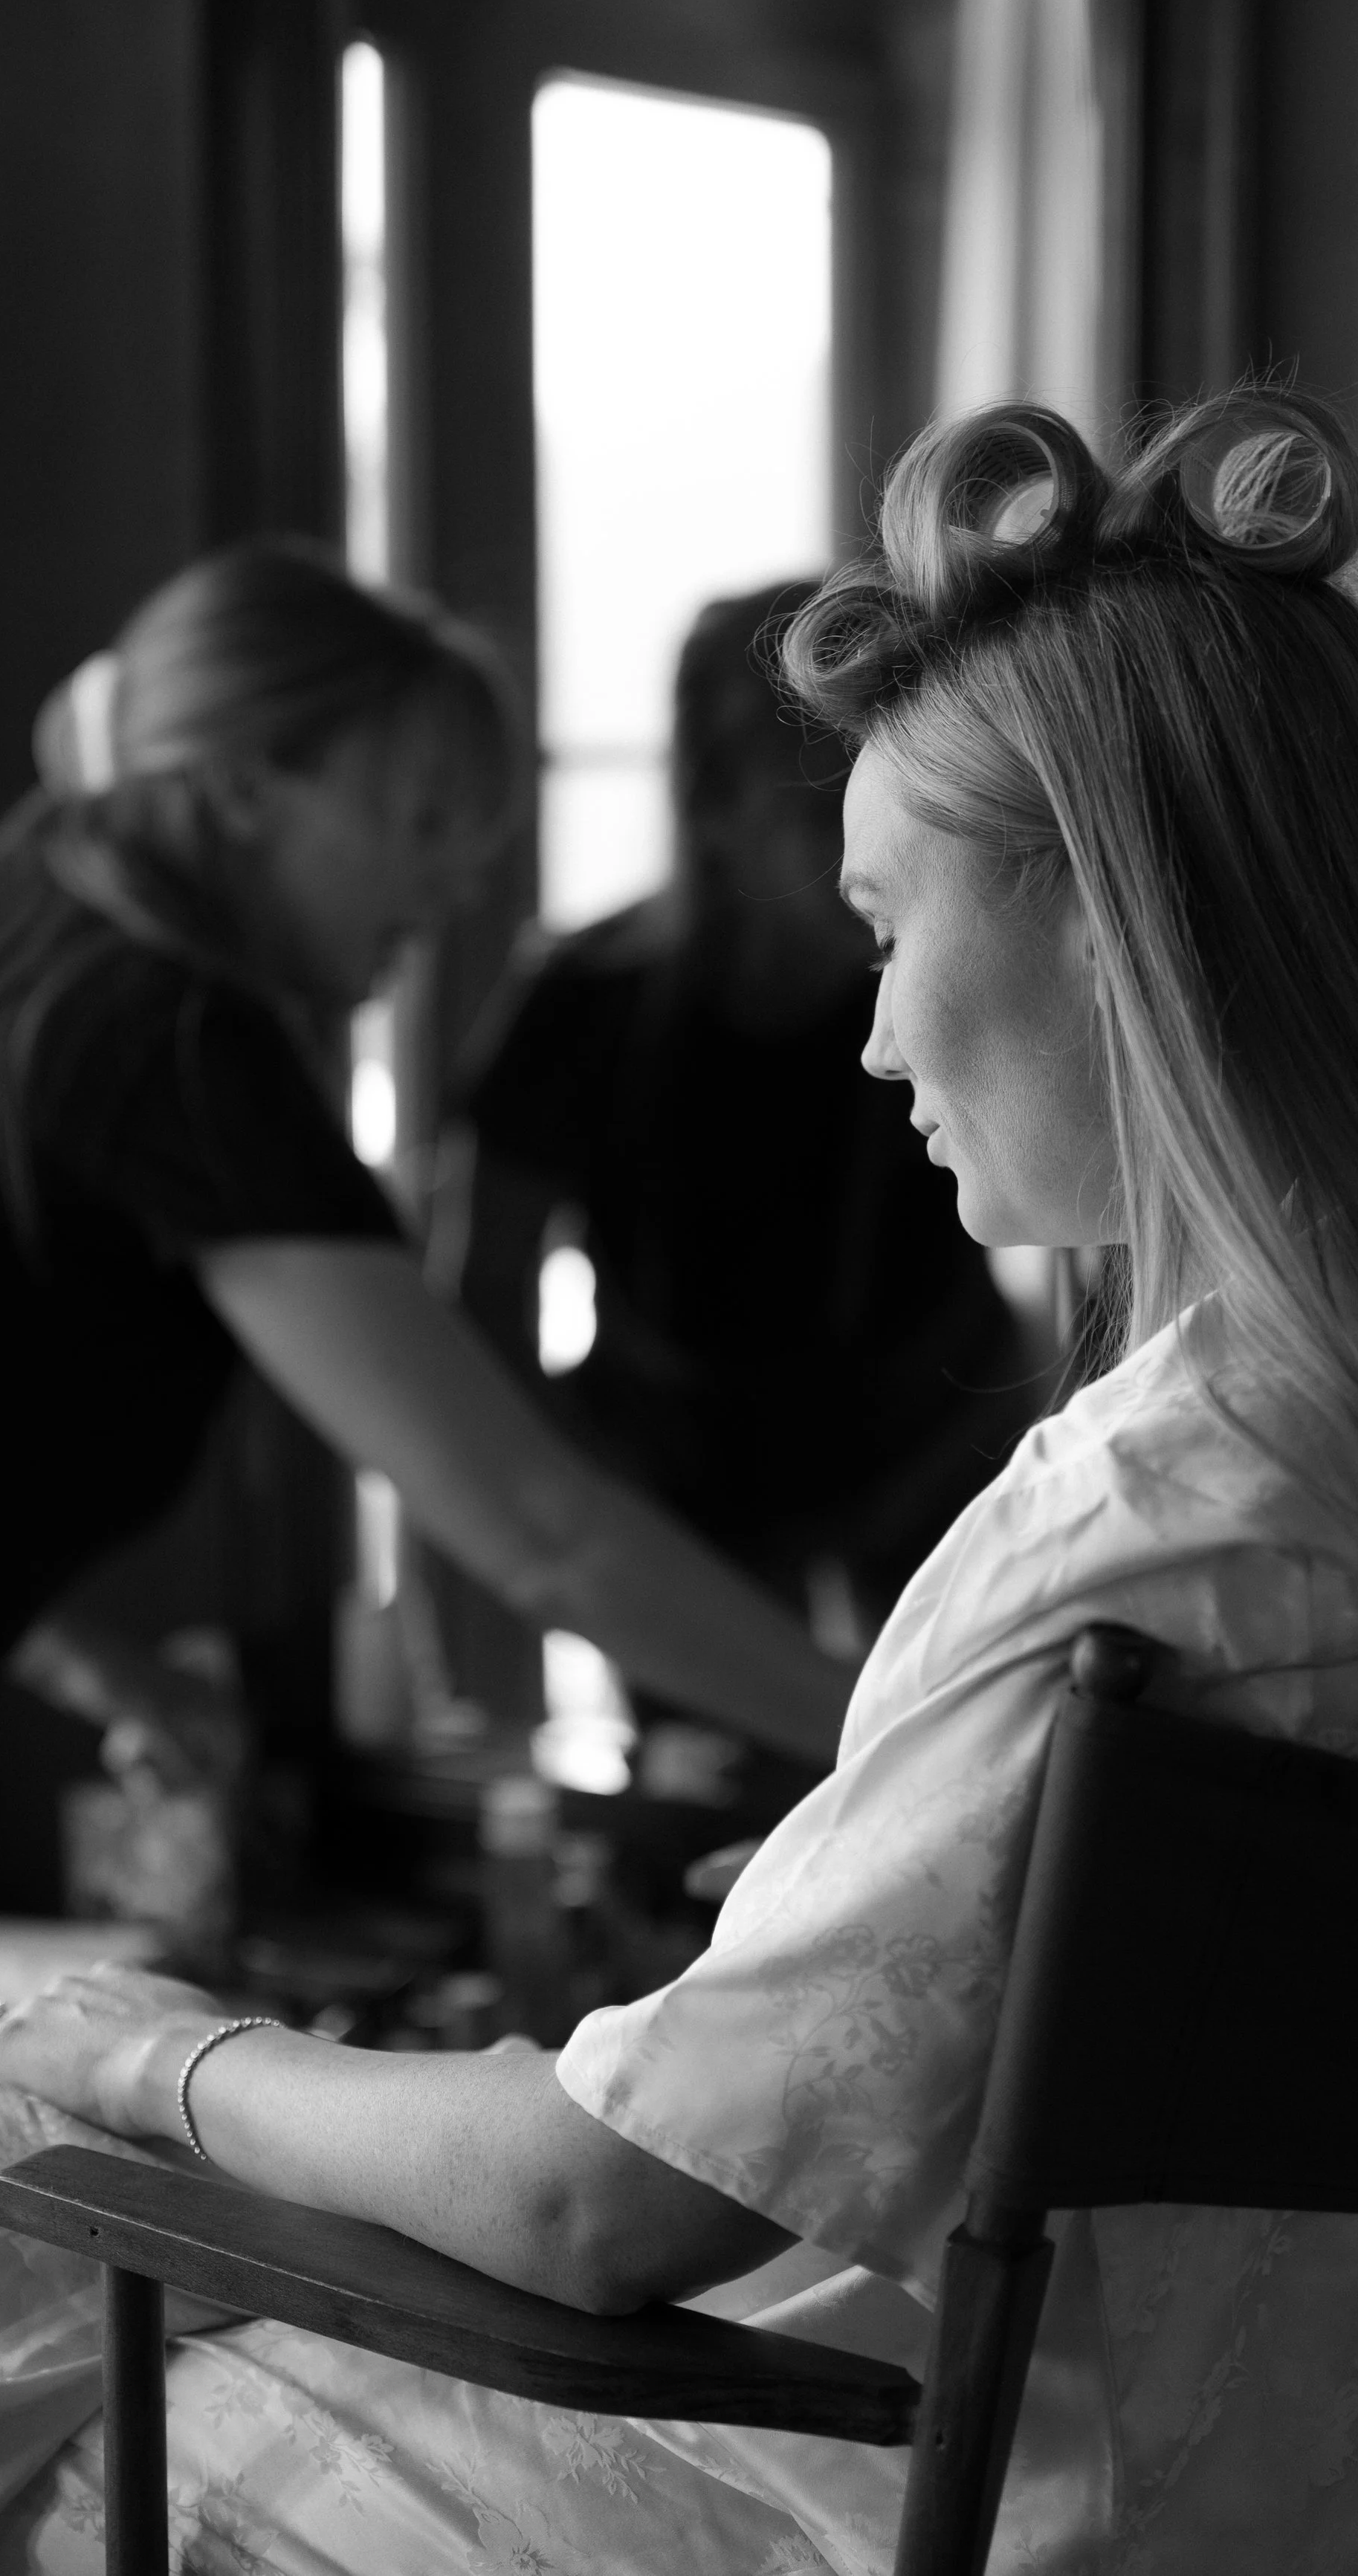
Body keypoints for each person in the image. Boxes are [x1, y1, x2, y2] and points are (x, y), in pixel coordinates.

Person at [0, 386, 1358, 2576]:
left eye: (888, 925)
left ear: (1110, 922)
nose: (873, 1038)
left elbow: (589, 2200)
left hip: (978, 2511)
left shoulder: (1177, 1508)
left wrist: (170, 2055)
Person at [0, 538, 848, 2032]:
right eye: (417, 818)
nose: (457, 877)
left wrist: (98, 1663)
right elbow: (536, 1530)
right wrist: (883, 1726)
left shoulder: (39, 936)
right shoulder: (169, 1037)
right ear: (240, 793)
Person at [456, 582, 1026, 1808]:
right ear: (714, 807)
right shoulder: (580, 1004)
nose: (879, 837)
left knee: (964, 1789)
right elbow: (482, 1306)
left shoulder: (949, 974)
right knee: (719, 1825)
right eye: (820, 796)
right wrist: (577, 1512)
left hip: (938, 1442)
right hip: (679, 1485)